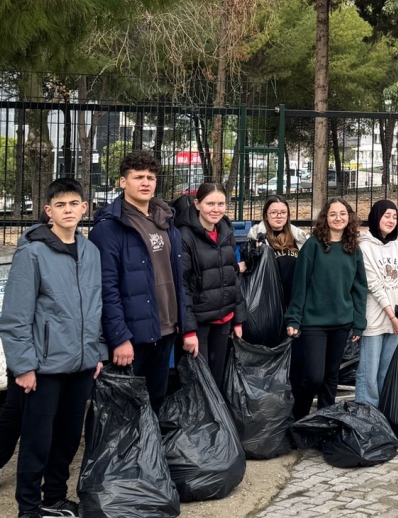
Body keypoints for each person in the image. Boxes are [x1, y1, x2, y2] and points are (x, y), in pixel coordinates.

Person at [0, 178, 105, 518]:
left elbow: (95, 307)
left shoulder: (90, 252)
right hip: (43, 366)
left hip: (81, 363)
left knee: (68, 436)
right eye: (61, 205)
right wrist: (22, 366)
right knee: (37, 439)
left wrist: (97, 352)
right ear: (49, 211)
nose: (69, 210)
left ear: (84, 208)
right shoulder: (32, 253)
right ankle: (27, 513)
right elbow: (15, 316)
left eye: (75, 203)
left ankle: (54, 499)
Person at [90, 151, 188, 414]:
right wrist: (119, 337)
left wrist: (185, 325)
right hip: (132, 335)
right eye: (138, 177)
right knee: (121, 406)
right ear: (123, 182)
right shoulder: (109, 227)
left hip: (165, 328)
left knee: (155, 400)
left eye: (151, 177)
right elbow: (105, 287)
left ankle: (148, 454)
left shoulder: (165, 220)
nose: (146, 182)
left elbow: (178, 278)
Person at [285, 198, 368, 417]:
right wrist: (294, 318)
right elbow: (300, 283)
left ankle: (325, 420)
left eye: (343, 213)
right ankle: (299, 417)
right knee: (314, 376)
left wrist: (359, 323)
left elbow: (360, 288)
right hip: (314, 323)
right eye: (333, 214)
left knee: (332, 376)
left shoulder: (353, 248)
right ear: (325, 218)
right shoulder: (313, 245)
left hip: (342, 322)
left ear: (349, 217)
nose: (338, 218)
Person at [175, 183, 245, 382]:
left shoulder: (226, 231)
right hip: (199, 323)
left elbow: (233, 276)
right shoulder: (184, 236)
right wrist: (188, 330)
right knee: (200, 384)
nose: (216, 209)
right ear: (197, 204)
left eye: (221, 204)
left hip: (224, 319)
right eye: (210, 203)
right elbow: (182, 285)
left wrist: (238, 319)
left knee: (217, 379)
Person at [356, 200, 398, 407]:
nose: (391, 220)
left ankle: (384, 417)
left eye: (395, 217)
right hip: (375, 319)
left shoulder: (397, 246)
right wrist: (392, 316)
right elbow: (374, 285)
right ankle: (367, 417)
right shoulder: (364, 247)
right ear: (376, 217)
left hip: (395, 319)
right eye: (386, 216)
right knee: (368, 373)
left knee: (386, 372)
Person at [243, 195, 309, 304]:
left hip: (295, 300)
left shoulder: (299, 238)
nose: (279, 216)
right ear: (266, 216)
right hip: (268, 302)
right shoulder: (257, 239)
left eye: (283, 212)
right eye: (273, 213)